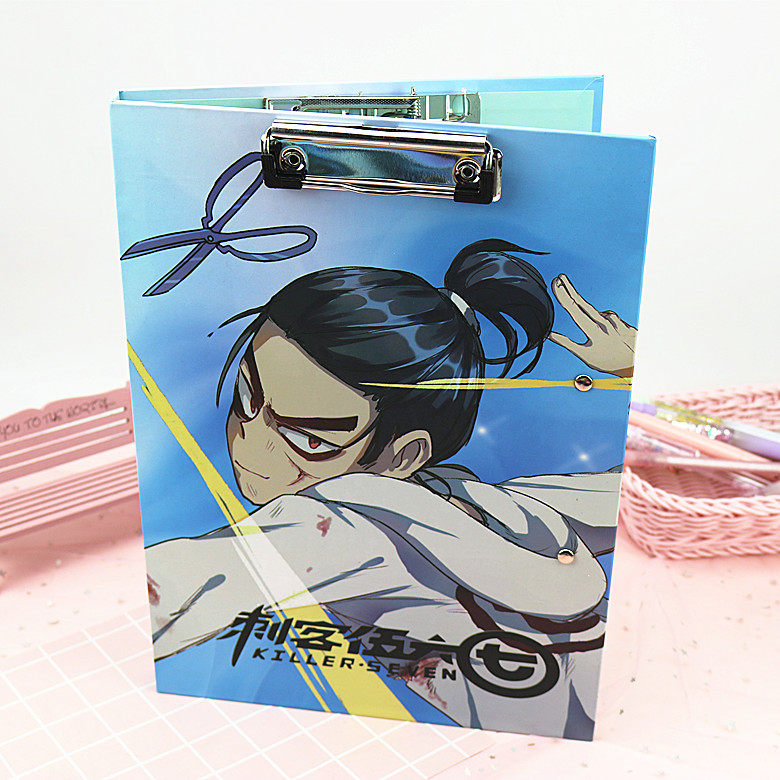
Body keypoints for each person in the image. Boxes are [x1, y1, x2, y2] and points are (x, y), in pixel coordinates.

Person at [146, 239, 636, 737]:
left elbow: (177, 586)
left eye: (310, 439)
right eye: (248, 396)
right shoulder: (510, 510)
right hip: (630, 704)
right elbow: (640, 486)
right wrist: (634, 372)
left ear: (403, 456)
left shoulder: (338, 524)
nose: (252, 444)